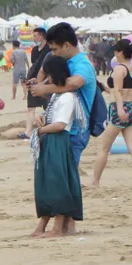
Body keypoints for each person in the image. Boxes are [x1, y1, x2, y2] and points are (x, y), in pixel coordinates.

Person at [30, 22, 98, 169]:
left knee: (66, 177)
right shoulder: (66, 62)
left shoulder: (82, 64)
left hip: (74, 132)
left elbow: (74, 83)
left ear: (67, 45)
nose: (52, 54)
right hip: (61, 130)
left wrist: (44, 89)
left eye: (55, 49)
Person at [30, 56, 83, 238]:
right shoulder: (57, 96)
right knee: (47, 182)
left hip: (58, 140)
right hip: (50, 139)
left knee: (57, 182)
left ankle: (58, 227)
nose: (46, 80)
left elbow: (61, 124)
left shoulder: (67, 97)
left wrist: (40, 130)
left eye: (48, 75)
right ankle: (43, 225)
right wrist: (42, 121)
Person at [90, 38, 132, 187]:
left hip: (120, 109)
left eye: (116, 51)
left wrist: (120, 109)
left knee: (103, 148)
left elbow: (117, 91)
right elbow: (122, 90)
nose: (114, 54)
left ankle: (95, 181)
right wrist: (104, 87)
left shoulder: (118, 68)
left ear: (120, 52)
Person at [24, 27, 51, 137]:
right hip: (33, 81)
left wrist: (44, 81)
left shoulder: (49, 49)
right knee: (31, 107)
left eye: (35, 36)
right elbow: (34, 65)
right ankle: (28, 131)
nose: (33, 38)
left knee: (48, 106)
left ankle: (48, 128)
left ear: (41, 36)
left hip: (46, 82)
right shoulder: (34, 50)